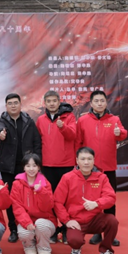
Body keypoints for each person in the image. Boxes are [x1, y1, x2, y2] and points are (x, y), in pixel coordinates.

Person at [76, 90, 127, 246]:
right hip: (89, 169)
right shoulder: (83, 120)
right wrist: (78, 163)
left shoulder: (114, 119)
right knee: (92, 201)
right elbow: (78, 142)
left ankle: (110, 234)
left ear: (106, 102)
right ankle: (96, 232)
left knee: (109, 201)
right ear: (91, 103)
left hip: (108, 167)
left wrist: (119, 132)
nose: (99, 103)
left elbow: (123, 134)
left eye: (102, 101)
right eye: (96, 101)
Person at [53, 147, 118, 254]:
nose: (86, 162)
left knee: (112, 221)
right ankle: (76, 248)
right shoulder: (67, 178)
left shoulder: (101, 178)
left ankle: (105, 251)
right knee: (74, 241)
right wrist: (67, 220)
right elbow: (57, 202)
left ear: (94, 161)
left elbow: (111, 198)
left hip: (95, 219)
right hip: (75, 221)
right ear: (77, 161)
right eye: (83, 159)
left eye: (89, 159)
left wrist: (97, 203)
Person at [0, 93, 42, 244]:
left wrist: (36, 162)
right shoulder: (2, 120)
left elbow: (36, 142)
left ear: (21, 104)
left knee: (27, 197)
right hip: (8, 167)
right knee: (10, 198)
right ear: (6, 106)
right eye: (10, 103)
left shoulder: (28, 121)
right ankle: (13, 229)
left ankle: (27, 226)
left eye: (16, 103)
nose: (13, 105)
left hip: (26, 168)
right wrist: (1, 133)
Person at [36, 90, 77, 243]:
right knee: (50, 198)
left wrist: (63, 127)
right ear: (45, 103)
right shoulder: (40, 120)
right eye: (49, 101)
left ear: (59, 102)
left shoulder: (69, 117)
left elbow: (73, 135)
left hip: (66, 164)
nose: (52, 103)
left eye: (54, 101)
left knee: (66, 199)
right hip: (47, 165)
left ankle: (66, 229)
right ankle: (53, 229)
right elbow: (38, 141)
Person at [9, 153, 56, 254]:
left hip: (45, 220)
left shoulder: (45, 183)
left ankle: (44, 247)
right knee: (24, 233)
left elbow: (47, 207)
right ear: (23, 167)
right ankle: (29, 245)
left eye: (34, 165)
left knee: (40, 224)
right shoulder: (17, 184)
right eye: (28, 165)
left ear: (39, 167)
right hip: (26, 220)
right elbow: (17, 207)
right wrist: (26, 222)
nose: (31, 169)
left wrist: (41, 191)